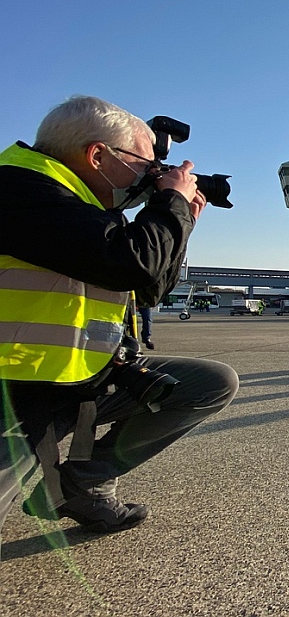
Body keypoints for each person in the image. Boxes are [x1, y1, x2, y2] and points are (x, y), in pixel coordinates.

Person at [0, 96, 238, 551]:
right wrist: (170, 202)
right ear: (97, 156)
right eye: (144, 164)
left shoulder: (82, 207)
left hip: (76, 382)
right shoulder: (19, 189)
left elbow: (149, 288)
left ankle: (79, 485)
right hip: (14, 392)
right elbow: (132, 264)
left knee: (209, 383)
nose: (149, 177)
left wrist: (181, 220)